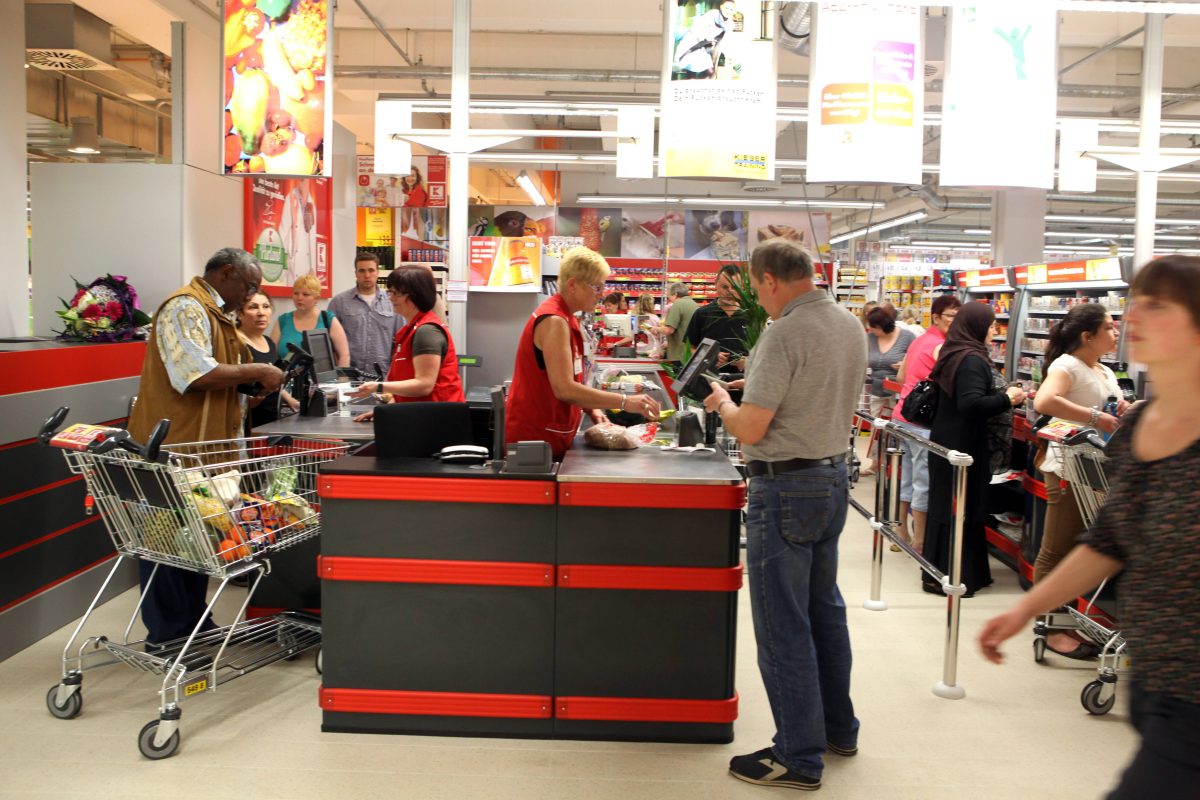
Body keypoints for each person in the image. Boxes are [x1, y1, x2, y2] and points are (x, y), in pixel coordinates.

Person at [980, 255, 1200, 799]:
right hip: (1153, 682)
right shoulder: (1139, 427)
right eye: (1134, 303)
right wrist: (1025, 609)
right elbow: (1108, 542)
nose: (1133, 317)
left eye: (1157, 305)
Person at [702, 239, 867, 791]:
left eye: (755, 288)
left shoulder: (783, 333)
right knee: (825, 613)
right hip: (831, 477)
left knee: (782, 628)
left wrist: (723, 403)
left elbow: (750, 430)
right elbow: (811, 393)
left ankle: (798, 757)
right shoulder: (847, 324)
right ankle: (838, 730)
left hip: (784, 488)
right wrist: (753, 389)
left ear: (769, 280)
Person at [127, 248, 284, 647]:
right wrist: (261, 370)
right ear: (226, 274)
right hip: (172, 447)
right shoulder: (185, 307)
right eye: (249, 286)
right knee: (165, 544)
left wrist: (253, 390)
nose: (251, 296)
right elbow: (194, 374)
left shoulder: (220, 317)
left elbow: (225, 381)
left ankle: (195, 626)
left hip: (203, 452)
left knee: (195, 543)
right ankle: (165, 635)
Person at [1030, 302, 1126, 659]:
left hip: (1093, 470)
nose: (1116, 334)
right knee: (1056, 550)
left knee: (1075, 550)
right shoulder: (1067, 365)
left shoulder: (1101, 370)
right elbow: (1044, 400)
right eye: (1111, 328)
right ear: (1089, 336)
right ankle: (1050, 627)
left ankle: (1065, 619)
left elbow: (1107, 408)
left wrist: (1123, 410)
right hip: (1068, 469)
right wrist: (1096, 416)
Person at [505, 247, 660, 460]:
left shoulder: (567, 318)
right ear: (572, 285)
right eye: (597, 287)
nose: (602, 294)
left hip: (549, 435)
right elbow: (564, 389)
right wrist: (625, 401)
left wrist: (592, 408)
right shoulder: (554, 321)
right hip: (535, 440)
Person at [921, 302, 1027, 598]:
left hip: (950, 441)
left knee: (951, 507)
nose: (995, 329)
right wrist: (1009, 398)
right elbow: (971, 404)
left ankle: (947, 571)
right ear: (977, 327)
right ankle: (958, 573)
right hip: (963, 446)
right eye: (992, 324)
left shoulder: (955, 352)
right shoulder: (971, 359)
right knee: (961, 509)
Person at [892, 295, 961, 553]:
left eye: (958, 317)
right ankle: (921, 541)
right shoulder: (942, 347)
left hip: (902, 416)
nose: (955, 322)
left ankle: (901, 530)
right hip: (923, 423)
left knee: (907, 476)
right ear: (936, 317)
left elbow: (901, 377)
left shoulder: (919, 340)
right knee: (924, 480)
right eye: (951, 317)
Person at [351, 266, 463, 417]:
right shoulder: (410, 330)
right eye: (390, 292)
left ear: (414, 295)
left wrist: (378, 387)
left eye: (396, 293)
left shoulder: (427, 332)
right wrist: (384, 411)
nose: (390, 298)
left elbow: (424, 385)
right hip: (420, 415)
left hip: (436, 421)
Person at [327, 252, 405, 378]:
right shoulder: (339, 303)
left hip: (383, 376)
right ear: (355, 273)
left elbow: (401, 340)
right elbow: (329, 342)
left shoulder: (393, 302)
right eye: (362, 271)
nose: (367, 275)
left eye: (371, 270)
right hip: (348, 376)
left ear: (377, 272)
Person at [862, 305, 916, 475]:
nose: (871, 330)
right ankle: (876, 464)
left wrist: (903, 366)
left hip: (899, 391)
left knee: (897, 430)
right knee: (877, 429)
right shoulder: (870, 338)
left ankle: (895, 467)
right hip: (877, 390)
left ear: (884, 325)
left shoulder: (907, 337)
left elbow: (916, 359)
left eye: (874, 327)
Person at [237, 291, 298, 432]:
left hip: (270, 422)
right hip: (247, 424)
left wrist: (290, 399)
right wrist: (250, 402)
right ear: (239, 313)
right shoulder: (236, 343)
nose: (261, 313)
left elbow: (273, 380)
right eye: (253, 307)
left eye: (265, 306)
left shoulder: (268, 342)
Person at [270, 274, 350, 367]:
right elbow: (271, 355)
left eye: (305, 294)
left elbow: (344, 355)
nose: (299, 298)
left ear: (316, 298)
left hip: (322, 380)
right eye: (296, 293)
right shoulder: (283, 320)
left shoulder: (327, 319)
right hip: (288, 379)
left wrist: (341, 379)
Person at [685, 264, 749, 374]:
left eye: (735, 287)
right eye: (725, 287)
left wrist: (748, 362)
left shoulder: (751, 316)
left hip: (744, 384)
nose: (730, 291)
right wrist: (708, 357)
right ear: (716, 285)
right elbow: (689, 349)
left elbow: (762, 353)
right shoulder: (702, 314)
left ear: (742, 287)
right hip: (708, 383)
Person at [673, 0, 736, 79]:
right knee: (691, 68)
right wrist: (706, 39)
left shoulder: (729, 25)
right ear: (721, 7)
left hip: (705, 47)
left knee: (707, 70)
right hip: (693, 42)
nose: (729, 11)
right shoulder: (711, 15)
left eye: (731, 9)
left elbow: (726, 42)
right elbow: (698, 29)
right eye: (727, 8)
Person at [401, 167, 427, 239]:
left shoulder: (419, 190)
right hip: (406, 231)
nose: (410, 178)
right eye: (408, 175)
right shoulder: (404, 191)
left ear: (417, 177)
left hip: (417, 232)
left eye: (413, 176)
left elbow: (418, 214)